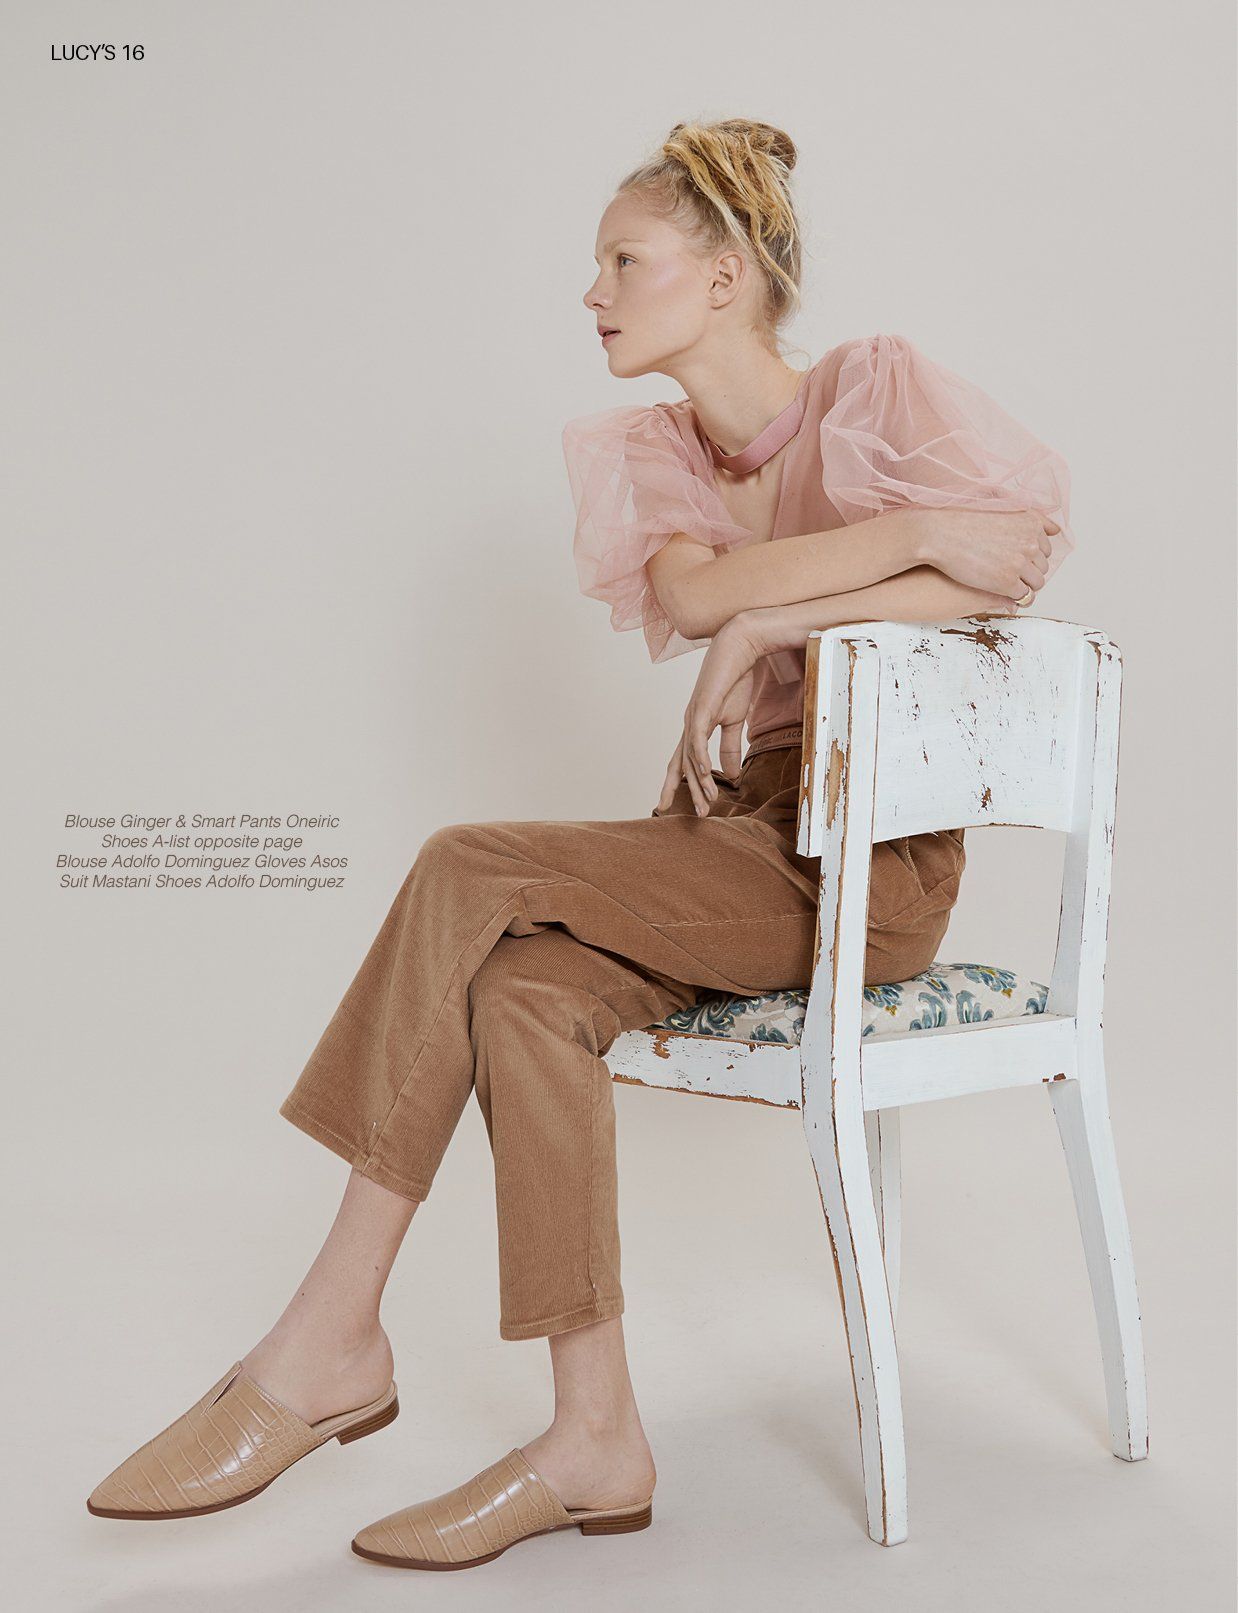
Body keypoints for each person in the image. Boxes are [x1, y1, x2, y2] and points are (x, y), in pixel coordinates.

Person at [85, 117, 1072, 1571]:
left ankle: (325, 1338)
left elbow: (1009, 558)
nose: (593, 292)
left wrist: (776, 614)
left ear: (725, 276)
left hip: (869, 866)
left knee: (464, 862)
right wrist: (810, 583)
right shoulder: (656, 452)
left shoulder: (873, 390)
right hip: (733, 843)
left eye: (624, 261)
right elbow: (697, 593)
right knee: (519, 989)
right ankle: (594, 1431)